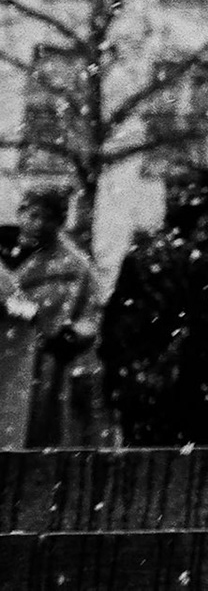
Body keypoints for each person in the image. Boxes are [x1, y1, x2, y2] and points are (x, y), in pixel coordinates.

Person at [100, 161, 208, 446]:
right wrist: (121, 369)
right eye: (170, 186)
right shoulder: (146, 249)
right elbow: (120, 315)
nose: (173, 194)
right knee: (146, 450)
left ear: (205, 190)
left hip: (202, 371)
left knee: (187, 448)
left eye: (183, 185)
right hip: (144, 380)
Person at [0, 186, 101, 448]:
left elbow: (91, 316)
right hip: (6, 359)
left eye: (48, 218)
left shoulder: (74, 267)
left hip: (45, 370)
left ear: (60, 222)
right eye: (33, 215)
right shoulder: (5, 253)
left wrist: (71, 337)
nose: (38, 224)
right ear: (21, 213)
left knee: (36, 441)